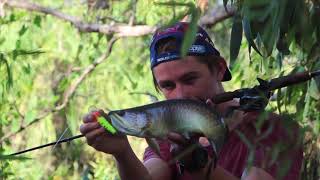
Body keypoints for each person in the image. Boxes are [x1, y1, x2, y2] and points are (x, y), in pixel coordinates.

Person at [80, 22, 303, 180]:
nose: (180, 95)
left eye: (190, 79)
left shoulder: (272, 130)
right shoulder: (168, 135)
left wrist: (199, 165)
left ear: (219, 68)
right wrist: (122, 153)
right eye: (168, 86)